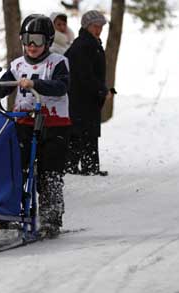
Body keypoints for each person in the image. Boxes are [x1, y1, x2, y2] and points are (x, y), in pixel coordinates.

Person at [0, 14, 71, 239]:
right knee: (14, 168)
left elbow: (60, 86)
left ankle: (50, 219)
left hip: (54, 125)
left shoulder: (58, 62)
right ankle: (10, 214)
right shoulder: (17, 65)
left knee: (49, 173)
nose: (31, 45)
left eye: (37, 40)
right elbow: (3, 89)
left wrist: (35, 84)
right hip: (24, 123)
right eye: (27, 39)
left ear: (48, 41)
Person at [64, 10, 109, 176]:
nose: (98, 30)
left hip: (85, 97)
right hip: (80, 97)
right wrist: (101, 89)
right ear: (86, 27)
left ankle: (82, 166)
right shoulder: (84, 45)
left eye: (100, 27)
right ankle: (83, 167)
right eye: (95, 26)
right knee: (82, 131)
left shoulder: (91, 43)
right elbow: (84, 74)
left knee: (84, 131)